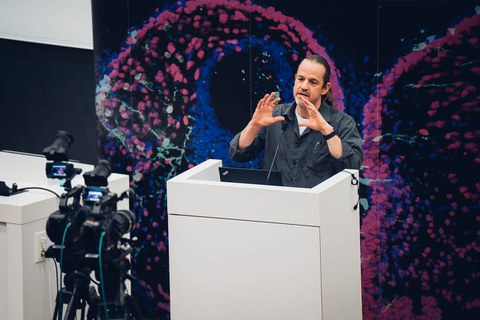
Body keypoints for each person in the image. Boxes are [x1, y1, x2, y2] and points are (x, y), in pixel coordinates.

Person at [229, 54, 363, 188]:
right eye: (300, 79)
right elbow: (238, 154)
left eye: (313, 82)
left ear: (325, 88)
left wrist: (326, 130)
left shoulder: (342, 123)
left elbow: (352, 165)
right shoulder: (275, 115)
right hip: (275, 203)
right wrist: (254, 125)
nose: (304, 86)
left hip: (316, 206)